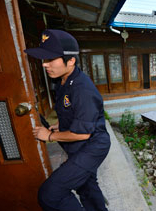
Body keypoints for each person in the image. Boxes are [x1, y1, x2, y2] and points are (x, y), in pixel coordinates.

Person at [25, 29, 110, 211]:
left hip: (92, 146)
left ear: (70, 60)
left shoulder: (82, 89)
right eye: (44, 59)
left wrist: (49, 136)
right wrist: (60, 125)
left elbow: (83, 134)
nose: (44, 65)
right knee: (86, 186)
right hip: (81, 143)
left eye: (50, 59)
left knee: (50, 193)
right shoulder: (63, 80)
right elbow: (73, 112)